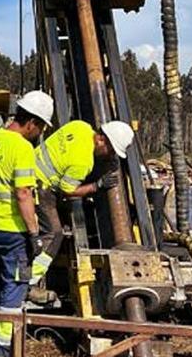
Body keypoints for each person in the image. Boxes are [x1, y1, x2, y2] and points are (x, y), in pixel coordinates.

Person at [0, 91, 52, 357]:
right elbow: (23, 193)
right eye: (40, 127)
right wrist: (34, 233)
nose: (38, 133)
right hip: (13, 231)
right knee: (14, 285)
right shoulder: (21, 148)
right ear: (31, 121)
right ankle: (4, 349)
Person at [29, 120, 135, 289]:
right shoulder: (83, 162)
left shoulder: (80, 126)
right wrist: (96, 185)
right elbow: (67, 191)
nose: (109, 155)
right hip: (39, 186)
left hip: (27, 168)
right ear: (101, 140)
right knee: (55, 233)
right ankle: (31, 280)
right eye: (110, 150)